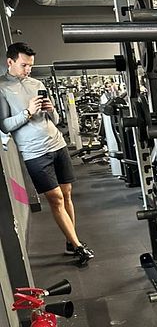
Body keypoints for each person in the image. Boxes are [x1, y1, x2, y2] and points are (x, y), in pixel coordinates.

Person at [0, 42, 94, 266]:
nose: (27, 70)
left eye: (30, 66)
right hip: (34, 153)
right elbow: (4, 125)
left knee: (67, 195)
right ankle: (79, 247)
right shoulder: (2, 88)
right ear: (10, 62)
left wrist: (51, 111)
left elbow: (57, 120)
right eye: (24, 65)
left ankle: (71, 242)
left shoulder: (37, 83)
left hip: (57, 144)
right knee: (56, 199)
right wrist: (27, 112)